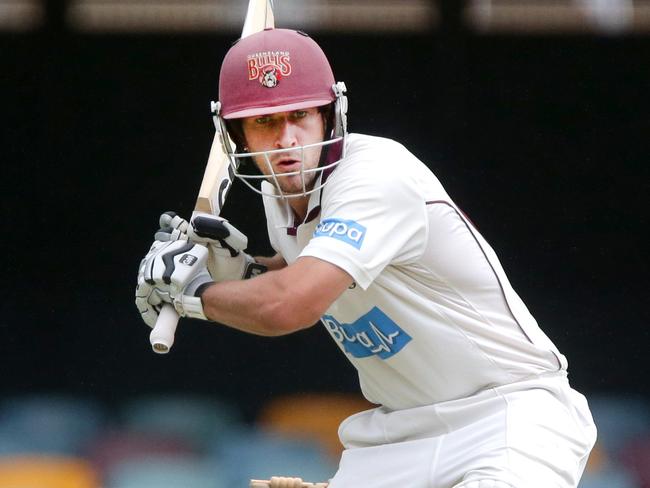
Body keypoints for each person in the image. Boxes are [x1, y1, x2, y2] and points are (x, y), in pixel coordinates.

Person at [135, 28, 596, 488]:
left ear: (331, 115)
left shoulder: (376, 176)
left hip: (508, 414)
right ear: (235, 133)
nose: (287, 141)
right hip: (399, 435)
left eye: (300, 115)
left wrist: (194, 293)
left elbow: (289, 305)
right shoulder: (279, 194)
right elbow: (307, 269)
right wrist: (245, 272)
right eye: (265, 122)